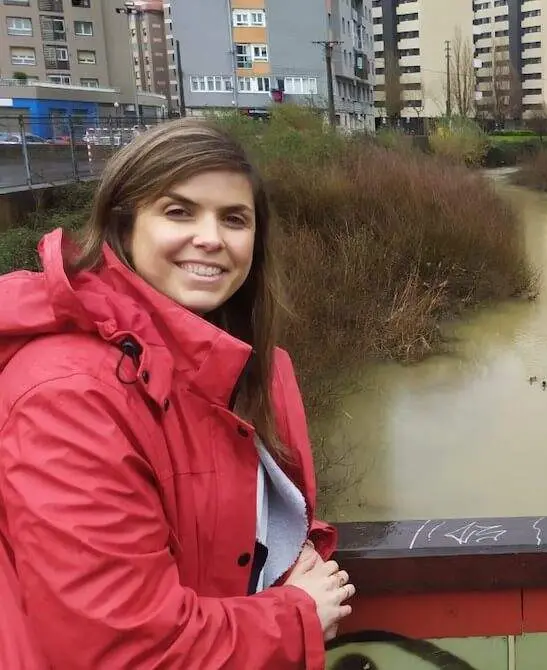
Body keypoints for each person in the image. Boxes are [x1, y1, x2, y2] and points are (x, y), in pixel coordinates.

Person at [0, 118, 355, 668]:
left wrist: (298, 551)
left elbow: (238, 514)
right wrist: (297, 615)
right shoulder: (68, 397)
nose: (210, 237)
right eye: (179, 211)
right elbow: (122, 649)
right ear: (124, 224)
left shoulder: (254, 367)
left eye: (234, 219)